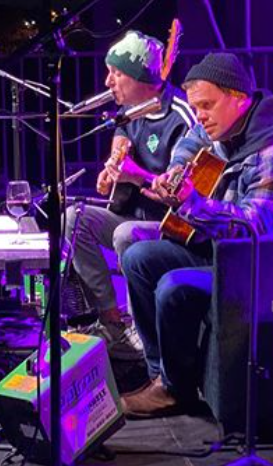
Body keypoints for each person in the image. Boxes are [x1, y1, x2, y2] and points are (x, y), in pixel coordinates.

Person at [120, 52, 273, 417]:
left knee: (174, 285)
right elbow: (191, 140)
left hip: (267, 267)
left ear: (239, 96)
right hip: (226, 253)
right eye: (194, 106)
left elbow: (256, 229)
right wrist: (176, 172)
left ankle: (174, 390)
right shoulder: (227, 124)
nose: (199, 115)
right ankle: (161, 377)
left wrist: (191, 204)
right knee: (138, 257)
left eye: (206, 105)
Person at [64, 30, 197, 361]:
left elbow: (181, 191)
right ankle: (112, 321)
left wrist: (136, 177)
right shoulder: (128, 112)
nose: (108, 81)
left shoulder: (181, 116)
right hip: (132, 215)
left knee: (126, 234)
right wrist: (111, 175)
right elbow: (122, 145)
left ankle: (144, 327)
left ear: (142, 77)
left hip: (172, 226)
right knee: (73, 218)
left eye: (117, 73)